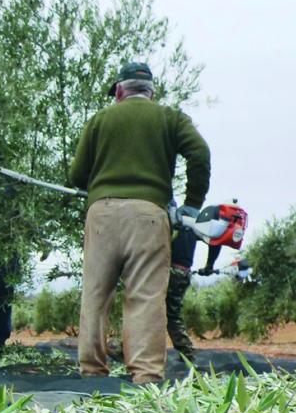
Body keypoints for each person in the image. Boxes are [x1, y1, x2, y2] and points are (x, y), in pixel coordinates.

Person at [68, 61, 211, 384]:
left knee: (95, 293)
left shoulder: (99, 120)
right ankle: (145, 375)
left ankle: (92, 372)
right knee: (146, 296)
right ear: (151, 92)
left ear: (119, 91)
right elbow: (200, 153)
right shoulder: (169, 118)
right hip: (149, 214)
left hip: (102, 214)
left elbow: (77, 177)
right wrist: (191, 205)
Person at [167, 225, 200, 360]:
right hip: (184, 273)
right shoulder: (196, 226)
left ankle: (187, 352)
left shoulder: (175, 222)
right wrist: (209, 265)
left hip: (171, 271)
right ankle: (186, 352)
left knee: (151, 309)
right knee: (172, 314)